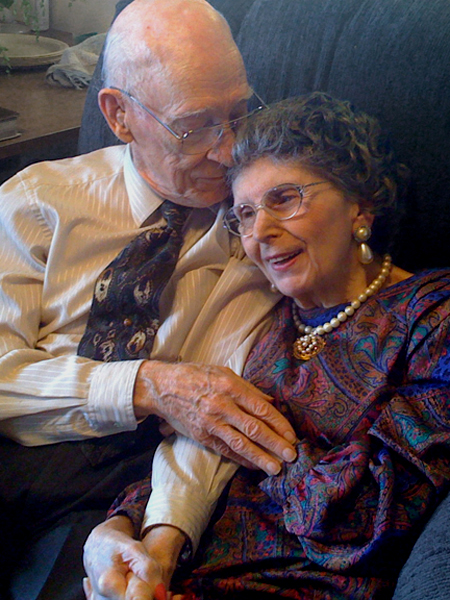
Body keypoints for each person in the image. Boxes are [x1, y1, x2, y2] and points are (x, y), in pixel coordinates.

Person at [83, 93, 450, 600]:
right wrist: (121, 529)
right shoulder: (259, 313)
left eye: (284, 200)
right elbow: (193, 446)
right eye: (245, 213)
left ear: (359, 206)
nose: (261, 233)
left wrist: (250, 447)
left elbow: (373, 514)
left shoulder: (432, 317)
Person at [0, 1, 298, 598]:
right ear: (119, 115)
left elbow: (217, 413)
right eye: (196, 125)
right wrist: (147, 385)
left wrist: (161, 534)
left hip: (110, 494)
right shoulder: (39, 203)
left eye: (240, 113)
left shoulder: (256, 240)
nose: (228, 148)